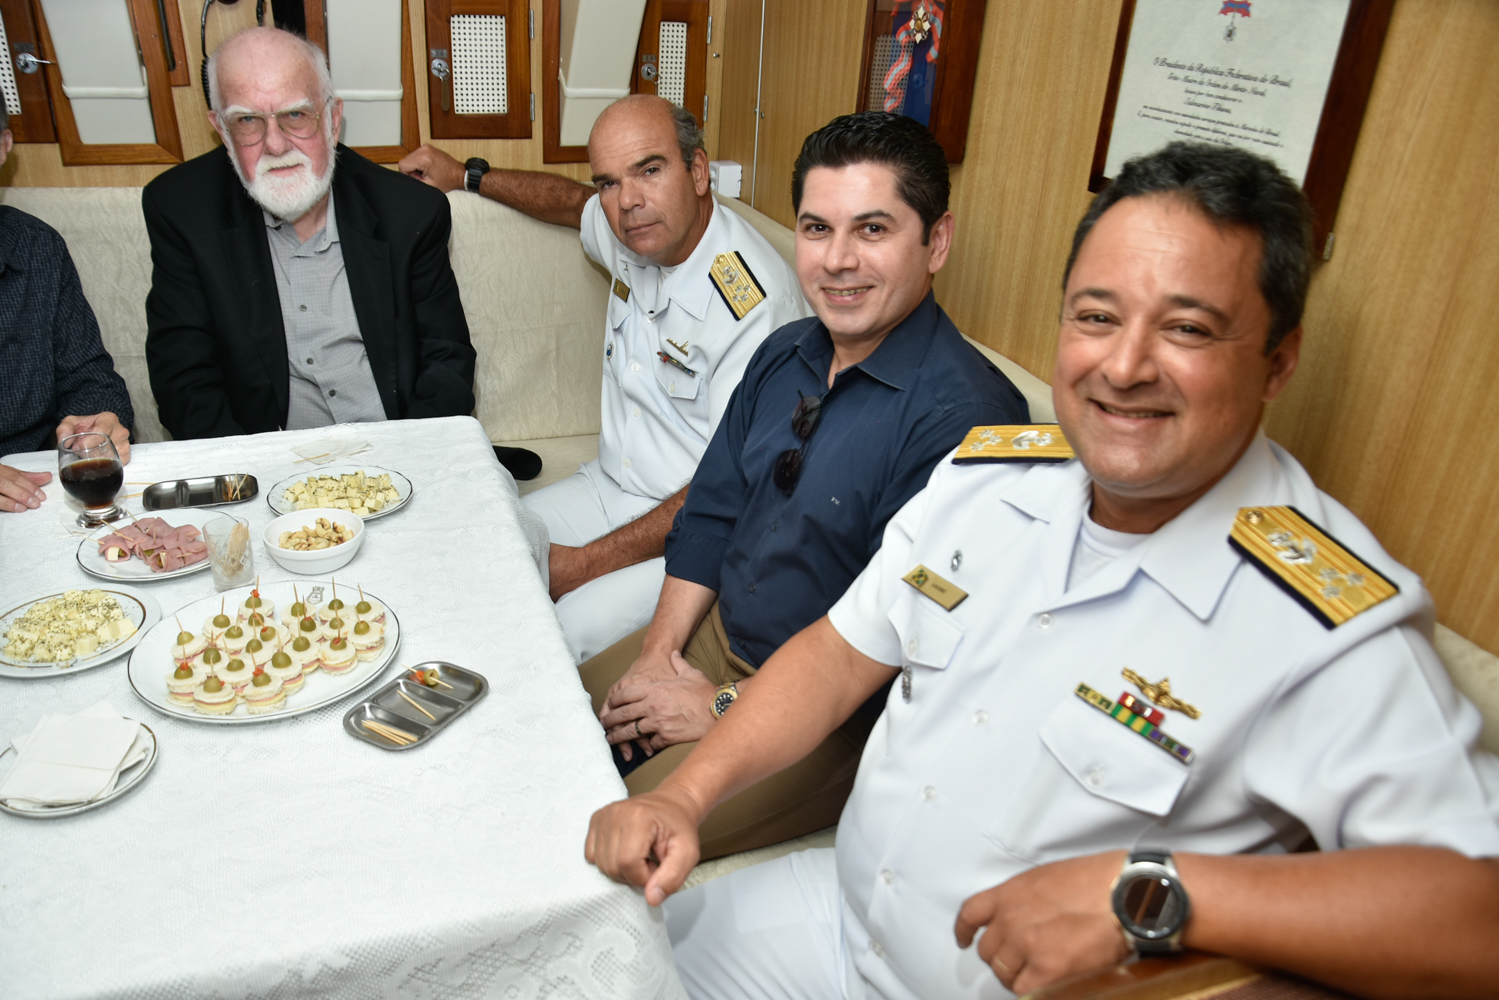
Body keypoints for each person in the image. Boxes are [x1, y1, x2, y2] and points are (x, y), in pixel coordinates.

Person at [584, 141, 1499, 1000]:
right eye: (1095, 317)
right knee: (599, 963)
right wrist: (685, 796)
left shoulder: (1321, 622)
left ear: (1276, 363)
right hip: (840, 915)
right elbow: (834, 654)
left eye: (1186, 329)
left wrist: (1157, 894)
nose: (1124, 366)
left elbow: (1476, 912)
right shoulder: (988, 478)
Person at [580, 112, 1029, 861]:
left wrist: (719, 705)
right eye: (818, 229)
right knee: (553, 728)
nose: (838, 261)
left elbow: (895, 651)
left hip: (834, 715)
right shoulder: (783, 352)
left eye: (873, 229)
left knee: (613, 833)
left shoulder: (965, 422)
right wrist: (658, 654)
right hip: (715, 635)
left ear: (937, 241)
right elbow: (711, 513)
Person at [400, 97, 807, 662]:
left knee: (552, 637)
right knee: (473, 551)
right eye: (609, 182)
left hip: (696, 530)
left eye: (650, 170)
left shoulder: (754, 307)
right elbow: (571, 204)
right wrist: (467, 176)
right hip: (606, 485)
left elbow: (730, 487)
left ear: (697, 171)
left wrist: (582, 565)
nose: (628, 201)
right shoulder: (632, 232)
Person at [141, 28, 538, 479]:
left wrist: (406, 471)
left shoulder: (410, 212)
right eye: (247, 121)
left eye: (295, 115)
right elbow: (184, 382)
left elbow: (447, 362)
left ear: (332, 120)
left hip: (398, 456)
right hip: (267, 469)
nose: (275, 144)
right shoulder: (181, 209)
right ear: (221, 131)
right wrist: (252, 482)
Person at [0, 105, 135, 513]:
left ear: (4, 146)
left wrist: (94, 421)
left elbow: (87, 376)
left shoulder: (37, 247)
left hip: (38, 485)